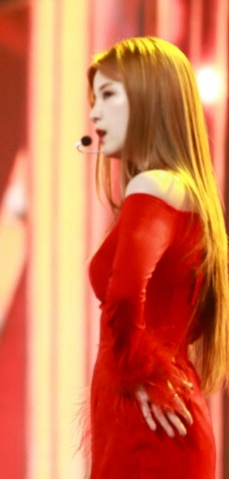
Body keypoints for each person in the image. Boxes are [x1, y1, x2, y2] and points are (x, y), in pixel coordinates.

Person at [86, 36, 229, 478]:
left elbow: (125, 295)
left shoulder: (155, 186)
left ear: (151, 97)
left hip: (149, 428)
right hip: (153, 417)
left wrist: (138, 371)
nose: (95, 113)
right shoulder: (180, 191)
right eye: (95, 99)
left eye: (109, 95)